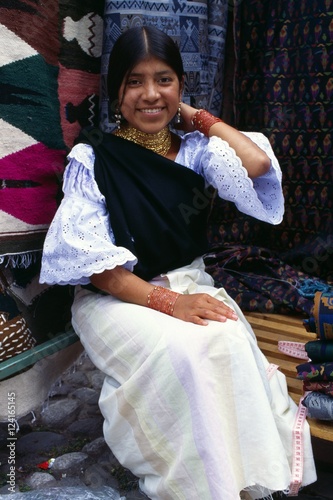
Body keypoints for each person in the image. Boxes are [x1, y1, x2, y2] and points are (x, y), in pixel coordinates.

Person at [40, 26, 316, 500]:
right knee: (186, 353)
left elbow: (255, 165)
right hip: (118, 298)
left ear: (181, 86)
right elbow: (103, 272)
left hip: (189, 282)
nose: (149, 94)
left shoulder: (195, 151)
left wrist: (197, 117)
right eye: (134, 82)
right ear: (115, 93)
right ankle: (201, 487)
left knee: (225, 340)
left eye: (164, 80)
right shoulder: (94, 159)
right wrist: (172, 304)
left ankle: (251, 484)